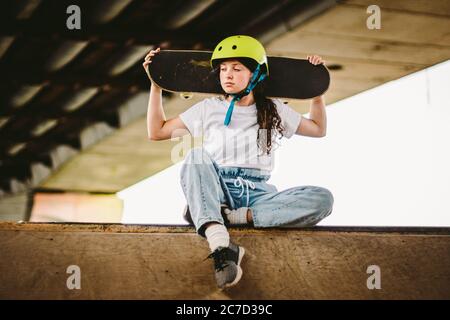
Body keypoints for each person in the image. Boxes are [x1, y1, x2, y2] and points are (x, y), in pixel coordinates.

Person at [143, 35, 334, 289]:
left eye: (236, 68)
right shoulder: (208, 108)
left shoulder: (272, 108)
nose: (227, 75)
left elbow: (318, 128)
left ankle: (227, 217)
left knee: (322, 198)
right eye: (223, 69)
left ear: (255, 73)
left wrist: (315, 91)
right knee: (195, 156)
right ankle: (221, 245)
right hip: (219, 187)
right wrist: (156, 86)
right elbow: (157, 131)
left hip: (260, 196)